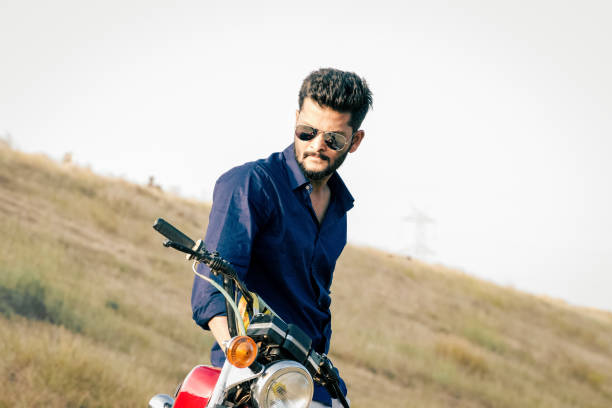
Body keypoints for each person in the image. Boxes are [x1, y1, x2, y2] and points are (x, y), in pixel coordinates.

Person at [191, 67, 372, 407]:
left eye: (333, 139)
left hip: (311, 381)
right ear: (295, 120)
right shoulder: (249, 184)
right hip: (253, 379)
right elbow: (211, 290)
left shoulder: (339, 209)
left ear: (355, 141)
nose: (316, 146)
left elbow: (315, 304)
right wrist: (244, 361)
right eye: (307, 132)